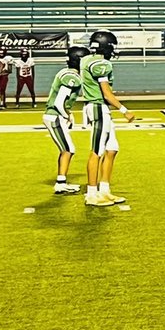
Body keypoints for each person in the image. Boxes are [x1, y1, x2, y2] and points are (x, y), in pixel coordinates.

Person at [80, 30, 136, 207]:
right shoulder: (100, 64)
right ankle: (91, 194)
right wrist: (124, 110)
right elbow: (106, 93)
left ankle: (104, 190)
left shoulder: (86, 60)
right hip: (98, 107)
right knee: (96, 151)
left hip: (98, 108)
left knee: (112, 149)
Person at [42, 45, 88, 194]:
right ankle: (60, 183)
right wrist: (66, 114)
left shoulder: (66, 72)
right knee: (68, 149)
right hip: (55, 116)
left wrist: (68, 113)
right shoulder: (72, 77)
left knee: (65, 149)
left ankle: (61, 181)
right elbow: (59, 102)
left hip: (54, 115)